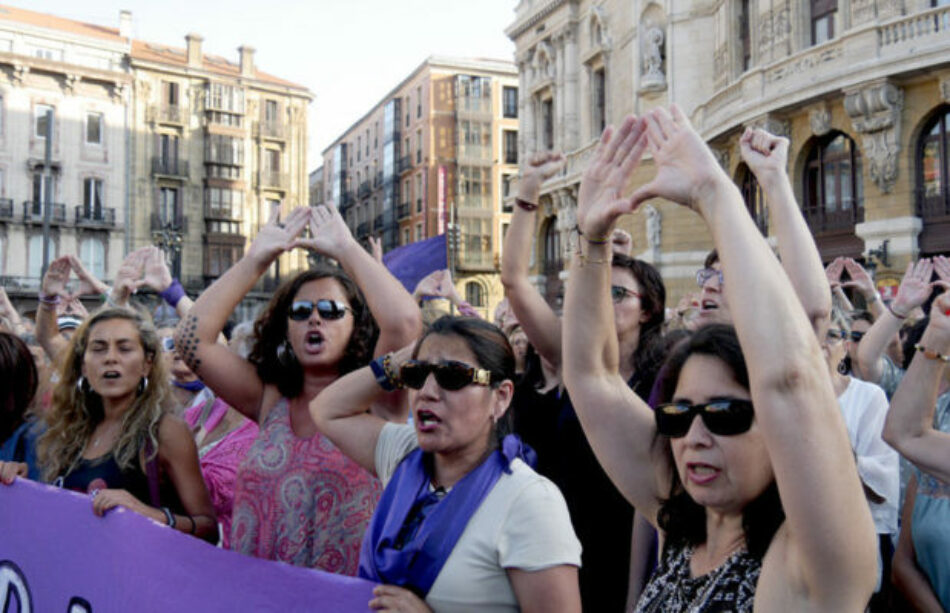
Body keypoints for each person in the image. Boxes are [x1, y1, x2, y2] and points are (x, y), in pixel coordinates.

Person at [563, 108, 876, 610]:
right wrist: (590, 239)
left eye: (726, 415)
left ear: (777, 426)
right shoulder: (680, 521)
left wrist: (716, 194)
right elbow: (591, 376)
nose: (695, 438)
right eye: (678, 415)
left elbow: (793, 378)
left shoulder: (810, 562)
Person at [178, 204, 421, 572]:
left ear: (357, 326)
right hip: (258, 599)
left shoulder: (377, 398)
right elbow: (191, 340)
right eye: (301, 310)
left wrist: (346, 249)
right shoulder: (268, 397)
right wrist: (256, 260)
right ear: (286, 329)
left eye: (331, 309)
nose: (315, 317)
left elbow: (403, 322)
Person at [310, 315, 581, 613]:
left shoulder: (529, 500)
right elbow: (326, 410)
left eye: (452, 376)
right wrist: (403, 359)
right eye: (416, 375)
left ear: (500, 398)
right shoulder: (406, 456)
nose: (426, 391)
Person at [501, 151, 666, 610]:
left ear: (647, 308)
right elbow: (514, 281)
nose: (603, 300)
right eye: (597, 289)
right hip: (563, 542)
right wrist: (528, 193)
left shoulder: (669, 377)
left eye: (619, 293)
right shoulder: (573, 362)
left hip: (634, 544)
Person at [0, 303, 216, 542]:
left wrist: (145, 514)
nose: (110, 359)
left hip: (137, 575)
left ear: (147, 363)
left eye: (124, 349)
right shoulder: (69, 430)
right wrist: (23, 483)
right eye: (98, 349)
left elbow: (208, 528)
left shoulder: (164, 431)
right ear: (83, 365)